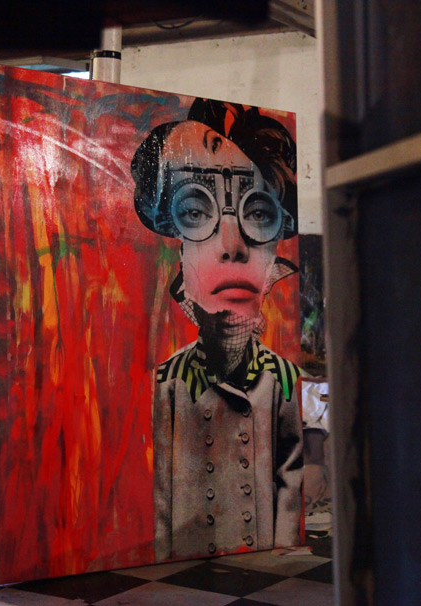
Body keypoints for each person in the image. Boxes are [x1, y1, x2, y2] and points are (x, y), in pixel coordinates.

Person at [131, 98, 304, 562]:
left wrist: (284, 549)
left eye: (259, 214)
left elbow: (290, 482)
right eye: (195, 212)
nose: (233, 246)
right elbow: (164, 494)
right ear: (179, 252)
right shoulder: (167, 381)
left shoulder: (283, 379)